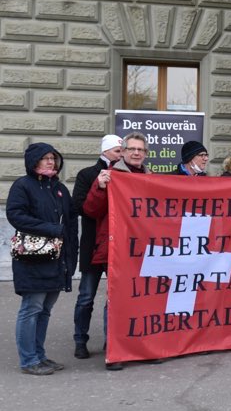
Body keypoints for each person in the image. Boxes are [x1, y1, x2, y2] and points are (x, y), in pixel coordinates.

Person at [82, 132, 153, 370]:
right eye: (132, 149)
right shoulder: (110, 176)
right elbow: (91, 210)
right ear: (122, 152)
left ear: (146, 153)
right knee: (116, 300)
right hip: (118, 249)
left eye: (140, 150)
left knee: (144, 299)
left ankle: (143, 347)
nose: (136, 153)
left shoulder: (151, 178)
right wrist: (100, 188)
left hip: (144, 250)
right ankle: (115, 350)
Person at [7, 143, 78, 375]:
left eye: (53, 158)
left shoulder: (59, 188)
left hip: (57, 260)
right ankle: (29, 360)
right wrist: (51, 229)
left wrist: (72, 257)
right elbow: (16, 215)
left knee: (45, 310)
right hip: (32, 259)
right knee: (32, 308)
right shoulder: (23, 185)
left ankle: (39, 356)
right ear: (33, 161)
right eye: (45, 158)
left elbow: (70, 223)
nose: (50, 161)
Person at [70, 134, 122, 359]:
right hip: (93, 244)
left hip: (116, 245)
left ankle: (111, 341)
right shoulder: (87, 174)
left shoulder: (125, 174)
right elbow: (79, 207)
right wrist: (99, 187)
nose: (121, 154)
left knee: (114, 298)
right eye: (118, 151)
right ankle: (80, 340)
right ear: (106, 151)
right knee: (86, 297)